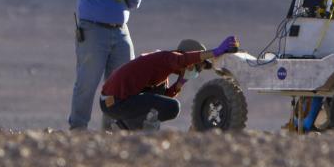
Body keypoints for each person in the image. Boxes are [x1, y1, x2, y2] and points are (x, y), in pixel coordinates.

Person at [68, 0, 143, 130]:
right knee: (87, 82)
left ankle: (112, 129)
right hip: (93, 31)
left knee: (122, 83)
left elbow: (131, 4)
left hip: (121, 32)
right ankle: (78, 128)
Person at [99, 36, 240, 130]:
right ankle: (129, 127)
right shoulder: (164, 57)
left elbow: (163, 100)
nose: (195, 71)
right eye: (197, 66)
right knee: (174, 107)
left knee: (165, 101)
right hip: (113, 101)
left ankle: (124, 126)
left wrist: (181, 82)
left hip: (117, 101)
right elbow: (182, 60)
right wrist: (215, 52)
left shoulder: (162, 73)